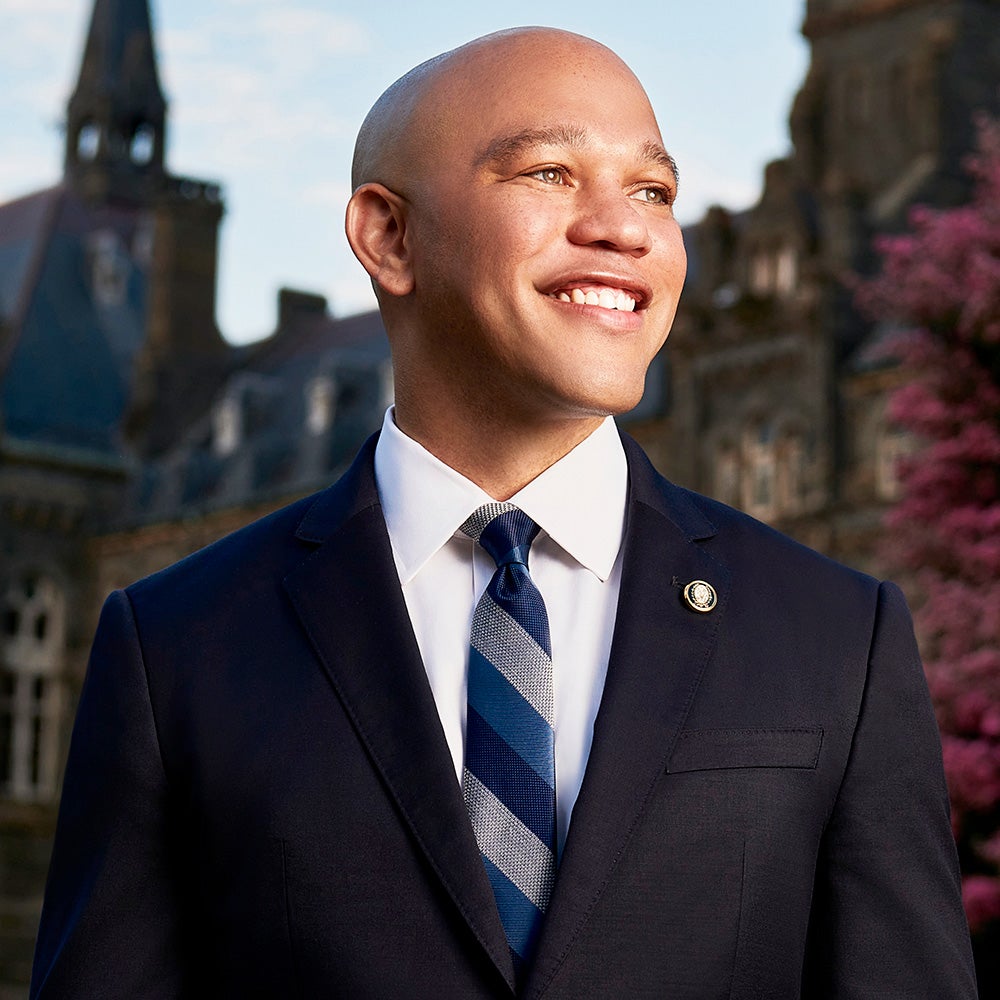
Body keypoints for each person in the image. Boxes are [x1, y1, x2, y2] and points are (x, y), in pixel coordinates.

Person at [30, 27, 977, 999]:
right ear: (388, 235)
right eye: (550, 173)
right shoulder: (176, 648)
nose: (625, 228)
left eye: (653, 190)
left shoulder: (834, 636)